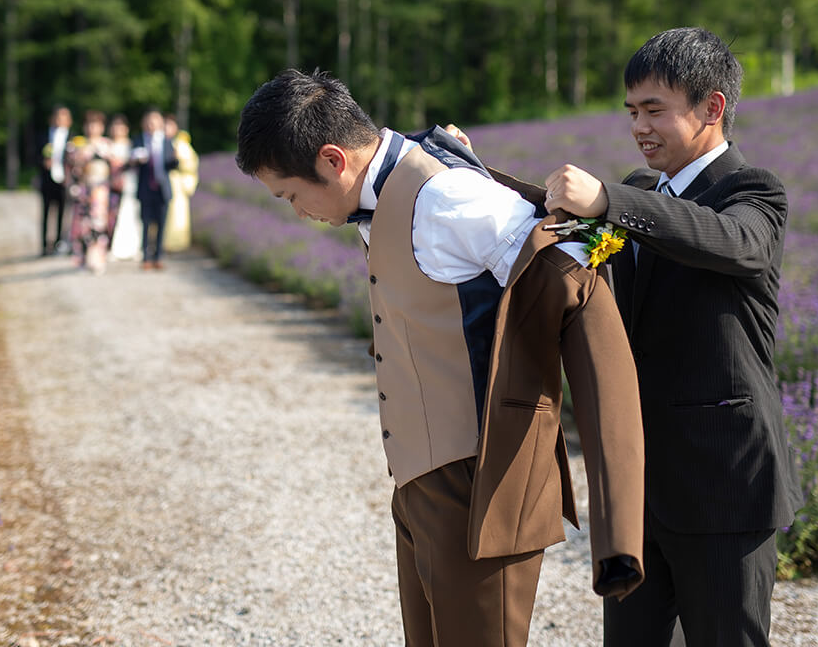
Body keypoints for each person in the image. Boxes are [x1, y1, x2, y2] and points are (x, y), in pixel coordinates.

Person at [235, 68, 646, 647]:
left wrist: (616, 525)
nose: (297, 212)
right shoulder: (389, 184)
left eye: (291, 195)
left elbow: (576, 275)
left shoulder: (447, 197)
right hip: (418, 483)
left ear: (332, 160)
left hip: (481, 482)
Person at [541, 27, 803, 647]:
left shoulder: (752, 191)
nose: (639, 126)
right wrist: (468, 176)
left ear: (712, 108)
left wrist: (609, 200)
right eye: (632, 111)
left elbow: (733, 242)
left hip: (723, 484)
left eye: (654, 110)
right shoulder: (638, 191)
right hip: (638, 487)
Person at [66, 110, 114, 274]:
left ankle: (98, 259)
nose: (93, 128)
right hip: (84, 189)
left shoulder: (107, 145)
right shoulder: (79, 144)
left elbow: (115, 166)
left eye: (96, 125)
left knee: (99, 225)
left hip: (101, 190)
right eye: (90, 124)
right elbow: (73, 167)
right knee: (82, 226)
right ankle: (82, 259)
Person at [135, 108, 180, 270]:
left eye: (154, 121)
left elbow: (172, 165)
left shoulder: (167, 141)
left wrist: (176, 159)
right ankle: (146, 257)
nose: (151, 124)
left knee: (161, 223)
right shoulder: (139, 140)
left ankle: (158, 256)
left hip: (162, 188)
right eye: (148, 121)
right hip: (146, 187)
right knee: (146, 223)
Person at [162, 113, 199, 253]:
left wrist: (178, 159)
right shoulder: (159, 143)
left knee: (176, 214)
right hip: (163, 182)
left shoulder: (180, 145)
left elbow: (191, 164)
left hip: (176, 184)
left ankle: (175, 243)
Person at [38, 105, 72, 256]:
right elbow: (33, 155)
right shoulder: (43, 136)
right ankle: (44, 245)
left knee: (62, 212)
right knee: (46, 212)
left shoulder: (72, 137)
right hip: (47, 180)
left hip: (64, 180)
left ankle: (59, 242)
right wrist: (43, 162)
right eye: (58, 116)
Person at [107, 115, 141, 261]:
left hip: (129, 183)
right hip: (111, 185)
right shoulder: (107, 145)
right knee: (112, 216)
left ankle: (134, 247)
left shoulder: (132, 145)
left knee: (131, 213)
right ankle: (112, 247)